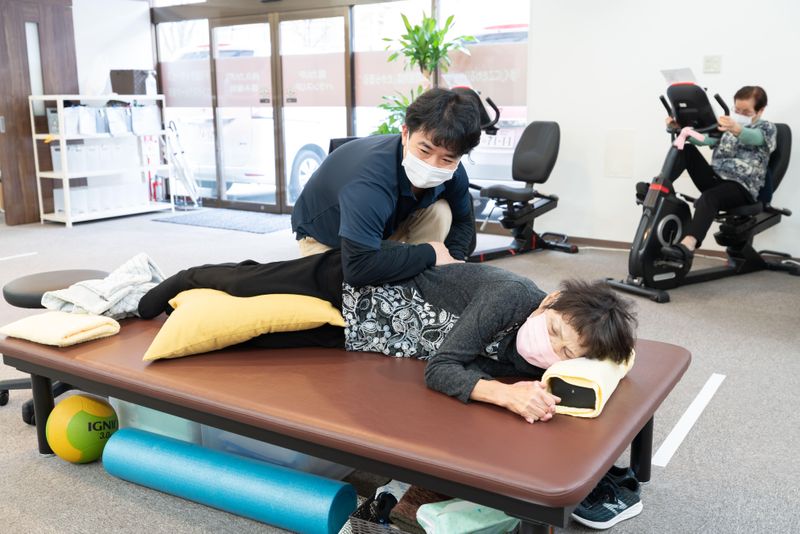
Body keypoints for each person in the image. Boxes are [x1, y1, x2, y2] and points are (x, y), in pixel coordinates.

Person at [138, 252, 637, 425]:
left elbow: (613, 358)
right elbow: (442, 370)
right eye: (554, 333)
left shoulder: (544, 361)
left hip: (365, 334)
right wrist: (503, 395)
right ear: (550, 302)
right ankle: (182, 278)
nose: (551, 350)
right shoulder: (509, 296)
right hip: (352, 284)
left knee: (247, 342)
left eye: (566, 352)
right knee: (246, 282)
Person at [290, 88, 482, 287]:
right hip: (330, 240)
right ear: (405, 133)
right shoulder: (370, 181)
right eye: (425, 150)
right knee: (355, 294)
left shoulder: (453, 172)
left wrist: (453, 263)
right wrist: (431, 253)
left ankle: (420, 279)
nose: (432, 165)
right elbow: (357, 268)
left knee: (441, 211)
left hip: (384, 229)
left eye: (447, 159)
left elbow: (462, 221)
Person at [659, 85, 777, 267]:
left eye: (746, 112)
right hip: (716, 179)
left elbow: (753, 138)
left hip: (741, 187)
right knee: (687, 150)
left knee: (709, 197)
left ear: (760, 110)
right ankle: (660, 187)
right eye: (737, 110)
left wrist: (736, 128)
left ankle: (687, 246)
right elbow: (705, 140)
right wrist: (682, 129)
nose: (740, 114)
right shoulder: (726, 127)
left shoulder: (767, 128)